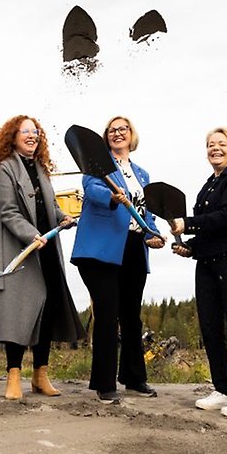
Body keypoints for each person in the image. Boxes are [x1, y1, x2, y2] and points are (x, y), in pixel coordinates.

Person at [0, 115, 85, 400]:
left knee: (49, 307)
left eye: (35, 132)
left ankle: (40, 374)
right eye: (25, 131)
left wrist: (62, 216)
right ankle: (13, 375)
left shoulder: (41, 168)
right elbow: (7, 211)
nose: (32, 135)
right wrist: (31, 234)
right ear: (13, 137)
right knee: (19, 309)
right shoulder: (5, 168)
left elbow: (50, 204)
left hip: (47, 248)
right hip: (20, 249)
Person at [71, 115, 166, 404]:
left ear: (131, 135)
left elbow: (145, 210)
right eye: (112, 130)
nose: (117, 133)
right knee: (108, 313)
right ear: (105, 138)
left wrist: (154, 232)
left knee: (131, 316)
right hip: (101, 250)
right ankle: (104, 383)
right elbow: (92, 190)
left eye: (122, 129)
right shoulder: (97, 167)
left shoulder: (142, 174)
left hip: (134, 246)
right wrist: (113, 198)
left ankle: (134, 378)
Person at [169, 128, 227, 418]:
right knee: (210, 327)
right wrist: (192, 248)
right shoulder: (208, 185)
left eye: (222, 144)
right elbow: (211, 229)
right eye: (211, 145)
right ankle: (223, 390)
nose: (215, 149)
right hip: (209, 262)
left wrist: (188, 223)